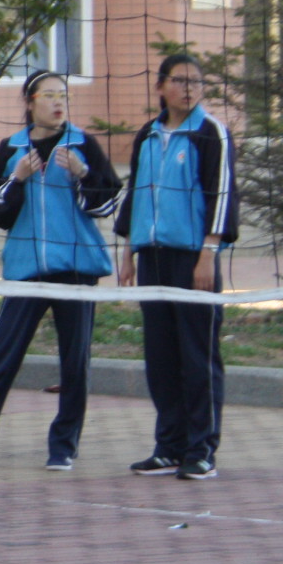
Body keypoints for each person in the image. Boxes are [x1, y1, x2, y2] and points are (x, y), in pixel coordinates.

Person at [0, 71, 119, 469]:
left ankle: (63, 447)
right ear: (30, 101)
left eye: (62, 94)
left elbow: (106, 205)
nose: (58, 101)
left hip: (76, 270)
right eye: (48, 95)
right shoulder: (10, 148)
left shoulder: (83, 144)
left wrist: (83, 174)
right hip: (26, 271)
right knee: (1, 360)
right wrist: (18, 178)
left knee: (74, 363)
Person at [114, 53, 237, 480]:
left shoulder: (210, 133)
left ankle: (201, 448)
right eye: (181, 80)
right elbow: (137, 193)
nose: (189, 88)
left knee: (197, 353)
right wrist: (129, 251)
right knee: (160, 355)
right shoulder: (149, 133)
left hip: (192, 257)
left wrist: (208, 253)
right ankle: (168, 446)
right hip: (152, 257)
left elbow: (220, 198)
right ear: (161, 86)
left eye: (197, 81)